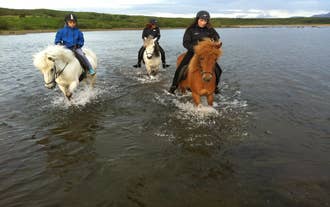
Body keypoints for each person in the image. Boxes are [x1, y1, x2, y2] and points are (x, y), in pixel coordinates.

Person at [168, 10, 222, 94]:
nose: (204, 22)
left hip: (206, 54)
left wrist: (215, 40)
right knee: (181, 68)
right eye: (202, 20)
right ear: (197, 19)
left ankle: (215, 86)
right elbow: (185, 43)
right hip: (192, 52)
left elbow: (216, 36)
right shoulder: (190, 30)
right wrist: (195, 49)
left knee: (218, 70)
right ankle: (174, 86)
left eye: (206, 20)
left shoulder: (209, 29)